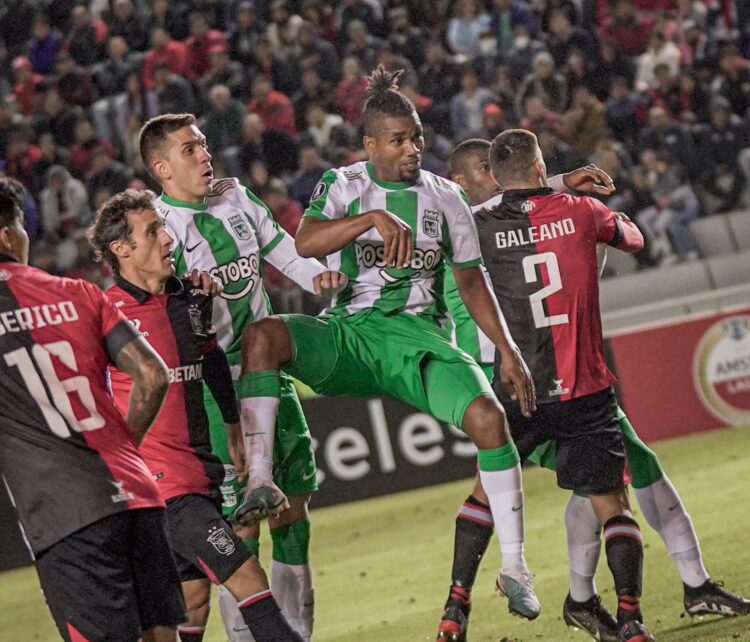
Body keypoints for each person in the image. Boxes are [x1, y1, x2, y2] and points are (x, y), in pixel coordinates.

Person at [237, 65, 540, 623]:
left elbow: (471, 283)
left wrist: (509, 352)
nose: (413, 148)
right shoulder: (345, 185)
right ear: (370, 144)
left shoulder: (446, 198)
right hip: (350, 334)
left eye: (418, 136)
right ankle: (259, 477)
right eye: (399, 140)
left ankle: (516, 567)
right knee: (263, 336)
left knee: (490, 421)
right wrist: (369, 219)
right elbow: (305, 242)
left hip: (419, 340)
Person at [436, 139, 750, 642]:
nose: (493, 180)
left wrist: (554, 187)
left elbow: (518, 201)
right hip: (522, 381)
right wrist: (561, 189)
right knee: (607, 485)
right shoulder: (464, 232)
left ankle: (615, 595)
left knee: (620, 471)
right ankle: (599, 597)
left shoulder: (487, 225)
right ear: (458, 184)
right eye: (481, 171)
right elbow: (506, 207)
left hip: (542, 374)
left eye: (495, 170)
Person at [138, 113, 343, 642]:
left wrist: (317, 275)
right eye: (190, 149)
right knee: (238, 529)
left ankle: (298, 634)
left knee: (293, 509)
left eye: (204, 144)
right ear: (162, 167)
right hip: (211, 395)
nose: (205, 155)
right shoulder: (158, 234)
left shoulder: (236, 199)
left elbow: (284, 251)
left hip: (269, 378)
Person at [87, 188, 305, 642]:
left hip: (198, 477)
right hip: (162, 488)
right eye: (153, 231)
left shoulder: (189, 298)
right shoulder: (106, 313)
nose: (168, 240)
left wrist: (233, 428)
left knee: (193, 601)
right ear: (121, 249)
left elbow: (212, 364)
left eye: (164, 227)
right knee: (248, 578)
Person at [460, 129, 651, 642]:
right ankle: (631, 620)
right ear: (542, 165)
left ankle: (456, 608)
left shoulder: (476, 226)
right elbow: (634, 239)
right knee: (612, 503)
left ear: (494, 178)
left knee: (488, 489)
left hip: (519, 384)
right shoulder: (584, 211)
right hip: (585, 384)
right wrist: (614, 218)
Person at [0, 186, 186, 642]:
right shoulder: (79, 292)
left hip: (64, 517)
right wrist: (120, 448)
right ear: (7, 237)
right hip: (138, 496)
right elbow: (152, 375)